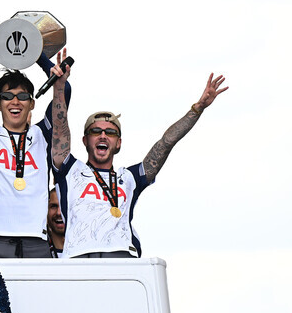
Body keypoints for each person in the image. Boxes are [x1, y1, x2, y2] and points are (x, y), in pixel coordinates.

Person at [50, 57, 228, 257]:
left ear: (118, 143)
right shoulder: (70, 170)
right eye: (95, 131)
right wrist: (59, 87)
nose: (102, 136)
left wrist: (197, 109)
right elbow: (60, 128)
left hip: (122, 259)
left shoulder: (129, 178)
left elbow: (166, 143)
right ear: (85, 140)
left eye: (110, 132)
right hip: (80, 257)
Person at [0, 49, 72, 257]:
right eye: (7, 96)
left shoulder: (43, 134)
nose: (15, 102)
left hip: (37, 240)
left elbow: (63, 89)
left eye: (23, 96)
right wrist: (0, 52)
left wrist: (37, 54)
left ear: (32, 104)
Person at [47, 188, 65, 257]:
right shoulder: (37, 252)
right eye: (54, 206)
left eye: (64, 205)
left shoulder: (89, 251)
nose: (59, 213)